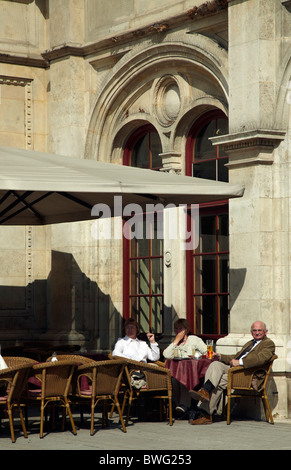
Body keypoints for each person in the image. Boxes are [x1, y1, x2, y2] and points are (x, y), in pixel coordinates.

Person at [188, 320, 276, 425]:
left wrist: (240, 362)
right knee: (215, 365)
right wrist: (220, 356)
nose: (257, 332)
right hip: (234, 370)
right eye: (254, 330)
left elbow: (260, 359)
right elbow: (236, 356)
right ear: (251, 332)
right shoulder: (250, 343)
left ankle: (205, 413)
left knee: (218, 382)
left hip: (248, 374)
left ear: (265, 331)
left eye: (259, 330)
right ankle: (205, 391)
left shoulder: (268, 344)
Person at [163, 318, 207, 418]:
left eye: (181, 329)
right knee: (174, 380)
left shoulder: (194, 339)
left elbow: (206, 352)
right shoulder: (174, 343)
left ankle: (184, 405)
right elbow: (166, 355)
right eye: (176, 329)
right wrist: (176, 341)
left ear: (186, 330)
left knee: (183, 377)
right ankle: (179, 406)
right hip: (178, 371)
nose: (178, 331)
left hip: (195, 372)